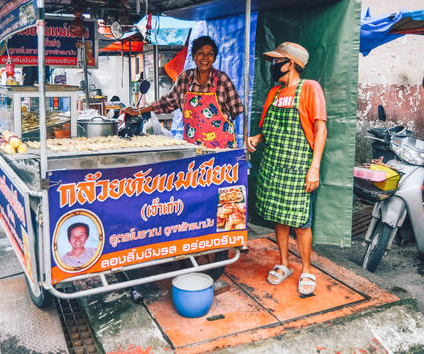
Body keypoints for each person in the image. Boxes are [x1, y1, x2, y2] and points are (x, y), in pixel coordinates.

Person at [247, 42, 327, 296]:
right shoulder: (274, 93)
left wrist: (314, 167)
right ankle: (284, 263)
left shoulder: (310, 88)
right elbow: (268, 129)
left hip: (298, 165)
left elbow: (320, 129)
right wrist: (257, 139)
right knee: (279, 217)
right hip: (273, 164)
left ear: (290, 63)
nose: (273, 65)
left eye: (277, 61)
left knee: (301, 221)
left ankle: (307, 269)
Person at [123, 36, 244, 148]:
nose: (205, 58)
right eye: (200, 53)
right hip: (194, 148)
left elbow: (236, 110)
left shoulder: (222, 80)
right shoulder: (185, 79)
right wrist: (138, 111)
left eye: (210, 54)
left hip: (221, 149)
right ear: (193, 56)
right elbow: (166, 103)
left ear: (215, 57)